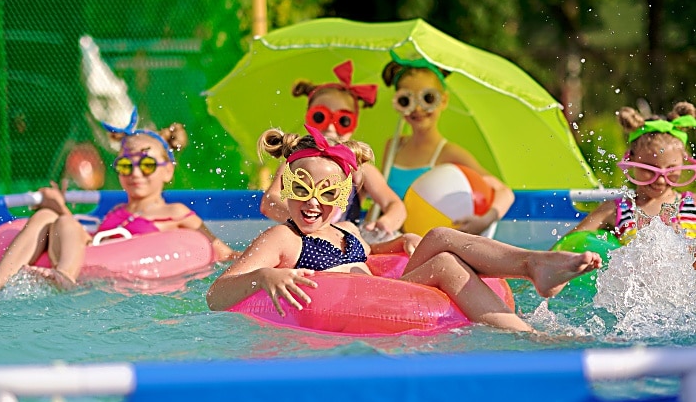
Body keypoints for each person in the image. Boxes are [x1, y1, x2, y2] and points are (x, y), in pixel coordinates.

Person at [207, 125, 601, 333]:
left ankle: (534, 265)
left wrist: (401, 241)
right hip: (361, 306)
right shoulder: (283, 237)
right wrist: (264, 276)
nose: (312, 202)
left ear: (344, 194)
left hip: (387, 291)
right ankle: (526, 324)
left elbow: (372, 259)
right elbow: (216, 295)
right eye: (301, 189)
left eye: (327, 192)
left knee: (437, 239)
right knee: (445, 260)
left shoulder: (344, 229)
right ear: (287, 187)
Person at [0, 109, 240, 290]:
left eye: (146, 164)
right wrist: (57, 207)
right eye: (125, 165)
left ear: (168, 170)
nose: (135, 173)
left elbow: (221, 251)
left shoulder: (175, 212)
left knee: (61, 219)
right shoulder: (116, 212)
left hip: (118, 280)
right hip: (90, 259)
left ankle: (64, 278)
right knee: (47, 216)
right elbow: (83, 242)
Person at [260, 60, 407, 239]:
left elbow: (395, 205)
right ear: (308, 117)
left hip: (341, 247)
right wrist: (310, 221)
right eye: (320, 117)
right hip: (301, 243)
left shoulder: (360, 170)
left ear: (354, 124)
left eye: (343, 120)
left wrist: (385, 223)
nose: (330, 127)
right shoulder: (294, 163)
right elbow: (269, 202)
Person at [381, 51, 515, 236]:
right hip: (395, 239)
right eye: (407, 100)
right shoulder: (394, 146)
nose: (418, 109)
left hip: (430, 243)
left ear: (443, 100)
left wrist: (485, 220)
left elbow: (504, 191)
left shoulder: (449, 153)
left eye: (428, 99)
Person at [569, 102, 696, 244]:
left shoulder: (693, 205)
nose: (660, 180)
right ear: (630, 160)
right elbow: (568, 246)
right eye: (649, 169)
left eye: (671, 170)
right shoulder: (616, 210)